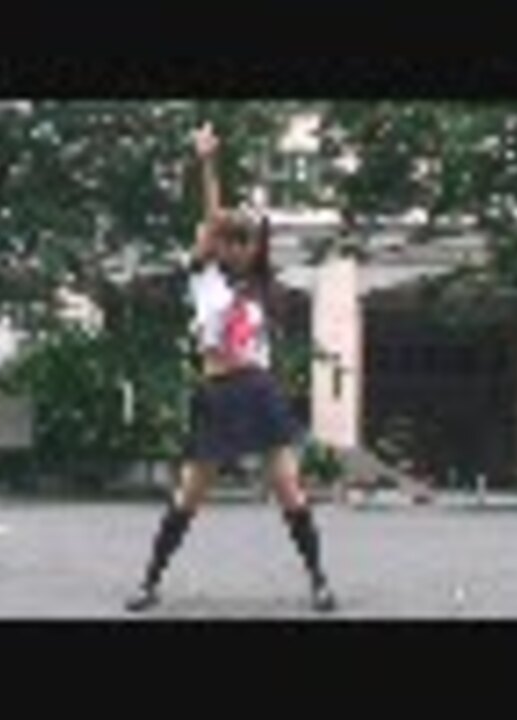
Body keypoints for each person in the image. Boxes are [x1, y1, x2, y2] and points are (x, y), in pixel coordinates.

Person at [124, 123, 338, 613]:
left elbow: (244, 232)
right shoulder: (203, 277)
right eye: (231, 240)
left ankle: (320, 582)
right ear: (219, 245)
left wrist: (253, 222)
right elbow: (212, 218)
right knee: (189, 494)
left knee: (289, 488)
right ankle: (149, 582)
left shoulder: (261, 286)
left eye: (246, 241)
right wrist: (208, 163)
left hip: (258, 389)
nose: (238, 247)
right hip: (217, 391)